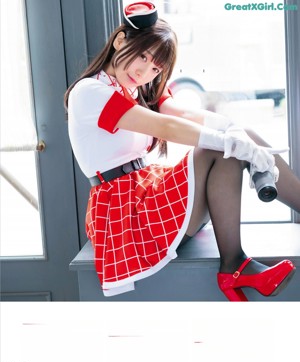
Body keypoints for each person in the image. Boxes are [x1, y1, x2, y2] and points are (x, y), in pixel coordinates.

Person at [64, 2, 299, 301]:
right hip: (124, 210)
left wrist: (233, 131)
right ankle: (234, 267)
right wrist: (231, 143)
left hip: (145, 193)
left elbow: (182, 115)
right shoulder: (91, 92)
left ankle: (235, 267)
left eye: (155, 67)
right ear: (120, 41)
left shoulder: (135, 89)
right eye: (143, 56)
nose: (145, 70)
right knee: (219, 149)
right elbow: (168, 128)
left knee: (237, 138)